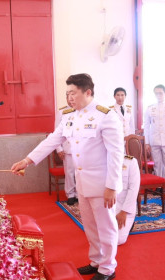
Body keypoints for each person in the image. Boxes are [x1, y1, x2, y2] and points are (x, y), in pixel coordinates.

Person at [11, 73, 124, 280]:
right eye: (67, 93)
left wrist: (112, 186)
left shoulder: (106, 116)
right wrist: (27, 160)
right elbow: (52, 141)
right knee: (90, 225)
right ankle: (96, 261)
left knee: (105, 226)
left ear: (87, 92)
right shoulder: (70, 117)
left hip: (102, 184)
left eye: (73, 93)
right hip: (82, 183)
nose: (69, 97)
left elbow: (116, 154)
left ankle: (108, 268)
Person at [55, 104, 78, 205]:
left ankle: (78, 194)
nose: (71, 99)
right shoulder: (62, 112)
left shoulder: (83, 110)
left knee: (80, 173)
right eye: (68, 96)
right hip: (67, 147)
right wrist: (59, 148)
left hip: (81, 148)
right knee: (69, 173)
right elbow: (56, 133)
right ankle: (70, 194)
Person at [116, 155, 140, 245]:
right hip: (108, 207)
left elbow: (133, 189)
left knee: (118, 240)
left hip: (124, 208)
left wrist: (124, 212)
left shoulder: (131, 162)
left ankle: (130, 222)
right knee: (100, 237)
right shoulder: (102, 160)